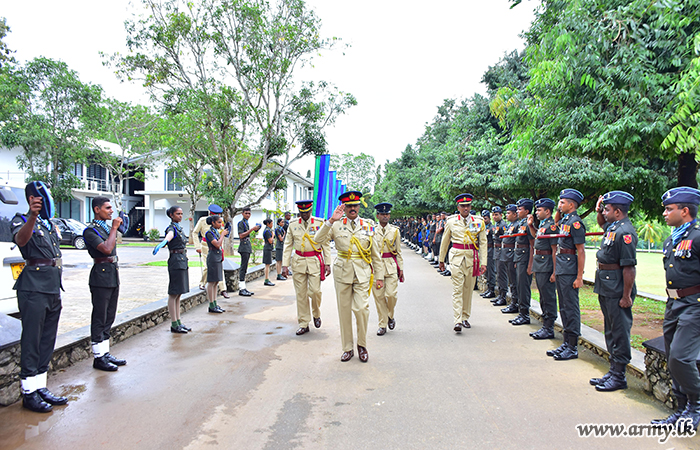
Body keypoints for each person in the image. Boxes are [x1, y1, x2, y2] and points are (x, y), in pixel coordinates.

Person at [11, 181, 68, 412]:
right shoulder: (22, 220)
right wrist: (32, 216)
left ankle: (40, 386)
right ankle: (28, 392)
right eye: (42, 197)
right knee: (32, 340)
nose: (45, 201)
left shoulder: (48, 224)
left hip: (53, 288)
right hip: (33, 288)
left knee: (47, 340)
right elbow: (21, 241)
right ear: (32, 199)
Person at [651, 187, 700, 429]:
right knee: (672, 358)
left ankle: (696, 404)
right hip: (673, 304)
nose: (665, 214)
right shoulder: (672, 239)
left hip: (694, 305)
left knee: (681, 357)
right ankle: (680, 410)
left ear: (685, 210)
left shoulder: (698, 236)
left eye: (669, 209)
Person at [315, 191, 384, 362]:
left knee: (361, 309)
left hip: (362, 272)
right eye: (349, 206)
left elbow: (375, 254)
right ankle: (347, 348)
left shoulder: (368, 225)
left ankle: (362, 345)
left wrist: (380, 276)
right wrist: (331, 221)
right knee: (344, 311)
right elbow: (317, 240)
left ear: (359, 206)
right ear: (343, 207)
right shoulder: (336, 224)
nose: (352, 208)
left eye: (355, 205)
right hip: (342, 272)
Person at [590, 191, 637, 392]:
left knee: (619, 331)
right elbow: (602, 222)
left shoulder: (625, 232)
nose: (604, 212)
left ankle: (619, 375)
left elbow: (629, 268)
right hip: (606, 285)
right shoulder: (613, 227)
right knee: (610, 329)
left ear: (618, 212)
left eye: (607, 209)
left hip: (618, 287)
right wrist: (598, 207)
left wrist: (626, 296)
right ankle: (613, 370)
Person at [83, 196, 127, 372]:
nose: (111, 211)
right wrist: (115, 229)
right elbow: (107, 249)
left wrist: (116, 228)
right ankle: (98, 356)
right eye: (107, 208)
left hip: (111, 273)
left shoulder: (107, 228)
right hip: (100, 275)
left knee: (110, 315)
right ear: (96, 209)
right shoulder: (90, 231)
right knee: (99, 316)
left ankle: (105, 352)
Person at [547, 188, 586, 361]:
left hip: (570, 268)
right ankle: (566, 343)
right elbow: (555, 223)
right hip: (562, 266)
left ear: (572, 204)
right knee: (563, 306)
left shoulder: (576, 222)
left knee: (571, 307)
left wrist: (579, 277)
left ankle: (572, 346)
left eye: (562, 202)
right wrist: (559, 210)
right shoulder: (565, 220)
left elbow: (581, 251)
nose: (559, 205)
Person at [438, 193, 487, 332]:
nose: (466, 208)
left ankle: (465, 317)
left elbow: (483, 242)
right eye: (463, 206)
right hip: (456, 258)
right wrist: (441, 260)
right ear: (458, 207)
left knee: (468, 289)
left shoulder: (478, 221)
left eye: (468, 206)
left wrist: (484, 263)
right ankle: (457, 320)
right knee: (457, 289)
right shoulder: (451, 221)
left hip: (472, 258)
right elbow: (445, 241)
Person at [282, 200, 331, 335]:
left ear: (311, 211)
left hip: (314, 261)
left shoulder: (319, 223)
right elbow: (287, 245)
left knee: (315, 292)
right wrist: (285, 265)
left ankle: (316, 313)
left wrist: (328, 263)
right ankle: (304, 323)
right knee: (301, 294)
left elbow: (325, 244)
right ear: (299, 212)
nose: (304, 215)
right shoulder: (292, 225)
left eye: (306, 212)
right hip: (298, 262)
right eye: (301, 213)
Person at [153, 206, 192, 334]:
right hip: (175, 260)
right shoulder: (172, 228)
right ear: (171, 215)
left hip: (182, 259)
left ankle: (178, 321)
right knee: (174, 292)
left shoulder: (179, 228)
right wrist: (163, 242)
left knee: (179, 293)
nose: (180, 216)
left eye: (181, 213)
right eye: (177, 214)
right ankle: (174, 323)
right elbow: (169, 236)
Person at [527, 198, 558, 340]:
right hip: (540, 264)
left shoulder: (552, 226)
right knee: (543, 297)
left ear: (548, 211)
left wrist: (554, 271)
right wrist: (531, 226)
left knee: (548, 297)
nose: (537, 212)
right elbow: (537, 237)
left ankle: (549, 327)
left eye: (539, 210)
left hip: (546, 265)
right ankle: (545, 326)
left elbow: (554, 250)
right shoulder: (543, 225)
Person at [372, 202, 404, 336]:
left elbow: (398, 251)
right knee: (379, 297)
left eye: (387, 214)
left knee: (391, 295)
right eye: (382, 214)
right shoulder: (371, 230)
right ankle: (382, 324)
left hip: (390, 265)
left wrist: (401, 268)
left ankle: (390, 315)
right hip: (376, 266)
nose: (385, 216)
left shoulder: (395, 231)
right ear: (377, 216)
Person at [192, 204, 228, 298]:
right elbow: (195, 232)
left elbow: (220, 234)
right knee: (207, 267)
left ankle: (223, 289)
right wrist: (197, 246)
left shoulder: (220, 221)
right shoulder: (202, 220)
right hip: (205, 245)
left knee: (219, 267)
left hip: (217, 246)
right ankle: (202, 283)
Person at [510, 198, 535, 326]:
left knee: (524, 288)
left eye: (520, 209)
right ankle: (521, 313)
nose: (518, 211)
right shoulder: (521, 223)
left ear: (527, 211)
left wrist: (530, 265)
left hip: (525, 259)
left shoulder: (530, 224)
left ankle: (525, 315)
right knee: (519, 286)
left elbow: (532, 245)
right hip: (519, 258)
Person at [205, 215, 228, 313]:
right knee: (211, 282)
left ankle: (215, 302)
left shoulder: (215, 232)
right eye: (219, 222)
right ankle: (211, 304)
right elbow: (217, 244)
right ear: (213, 223)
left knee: (216, 282)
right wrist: (222, 235)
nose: (220, 224)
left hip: (218, 256)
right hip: (213, 257)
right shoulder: (209, 233)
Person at [500, 204, 519, 314]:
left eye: (508, 213)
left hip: (511, 255)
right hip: (506, 255)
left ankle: (515, 303)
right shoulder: (510, 225)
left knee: (514, 282)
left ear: (515, 214)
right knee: (511, 281)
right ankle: (513, 302)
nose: (506, 215)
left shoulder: (517, 225)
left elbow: (517, 243)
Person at [237, 207, 261, 296]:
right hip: (243, 246)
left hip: (247, 245)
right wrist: (251, 229)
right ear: (242, 213)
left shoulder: (246, 223)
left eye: (249, 213)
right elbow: (241, 235)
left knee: (245, 267)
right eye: (246, 213)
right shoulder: (241, 223)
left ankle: (243, 287)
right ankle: (241, 288)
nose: (248, 215)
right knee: (243, 267)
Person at [491, 206, 506, 305]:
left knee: (502, 275)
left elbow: (506, 239)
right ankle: (500, 295)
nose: (494, 216)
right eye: (493, 214)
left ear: (501, 215)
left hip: (501, 250)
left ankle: (503, 296)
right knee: (498, 274)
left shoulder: (503, 225)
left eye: (496, 214)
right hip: (496, 250)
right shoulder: (496, 224)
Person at [480, 209, 497, 299]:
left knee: (491, 271)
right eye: (482, 218)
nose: (484, 220)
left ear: (489, 218)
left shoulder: (492, 228)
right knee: (486, 271)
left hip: (491, 250)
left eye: (485, 218)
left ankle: (492, 290)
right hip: (485, 250)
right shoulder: (482, 227)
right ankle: (488, 289)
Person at [262, 218, 275, 286]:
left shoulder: (268, 230)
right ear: (268, 224)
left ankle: (267, 278)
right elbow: (270, 241)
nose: (272, 225)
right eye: (271, 223)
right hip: (267, 248)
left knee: (268, 264)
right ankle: (266, 279)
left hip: (268, 248)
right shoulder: (267, 231)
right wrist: (273, 235)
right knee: (267, 265)